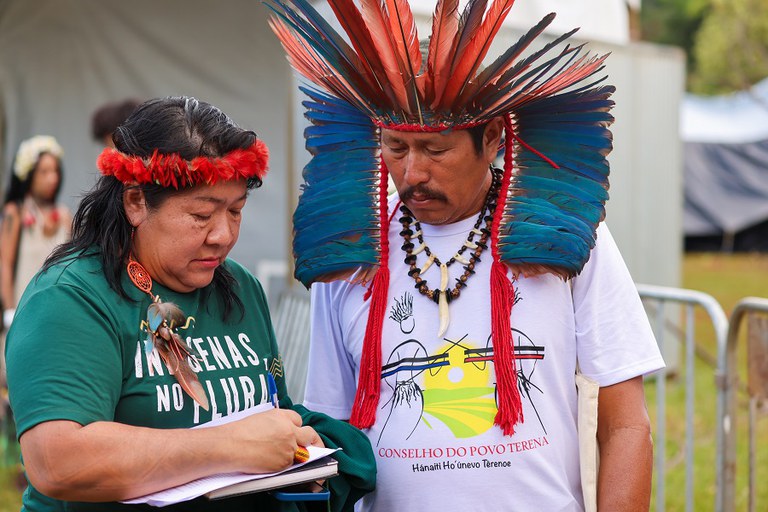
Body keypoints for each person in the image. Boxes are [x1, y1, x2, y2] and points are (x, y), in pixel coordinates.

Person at [268, 1, 665, 511]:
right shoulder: (352, 249)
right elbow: (331, 426)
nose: (411, 173)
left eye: (435, 150)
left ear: (493, 137)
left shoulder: (564, 233)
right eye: (395, 148)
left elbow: (627, 423)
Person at [5, 96, 375, 511]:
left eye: (236, 211)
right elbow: (57, 461)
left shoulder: (239, 286)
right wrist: (229, 446)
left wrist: (300, 444)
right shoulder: (70, 297)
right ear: (135, 202)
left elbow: (274, 408)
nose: (223, 235)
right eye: (201, 215)